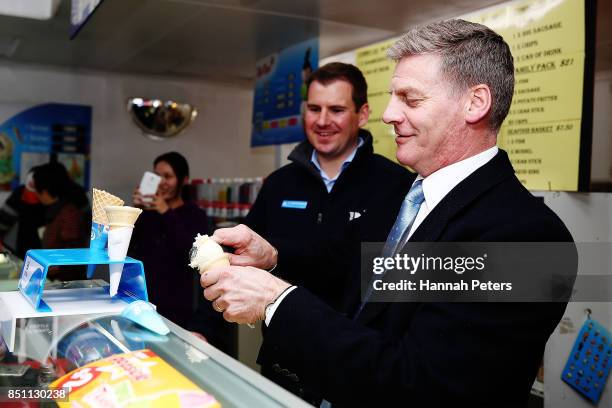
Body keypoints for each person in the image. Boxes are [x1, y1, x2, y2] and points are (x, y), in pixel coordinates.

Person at [200, 19, 576, 407]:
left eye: (410, 99)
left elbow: (424, 388)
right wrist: (274, 258)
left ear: (475, 103)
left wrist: (277, 301)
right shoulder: (415, 197)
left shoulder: (526, 238)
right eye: (393, 97)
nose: (388, 115)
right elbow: (367, 291)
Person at [246, 62, 412, 314]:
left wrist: (277, 253)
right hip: (285, 343)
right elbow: (242, 258)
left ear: (363, 114)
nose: (322, 121)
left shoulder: (396, 185)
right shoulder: (278, 184)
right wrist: (203, 329)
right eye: (314, 109)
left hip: (364, 347)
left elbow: (398, 279)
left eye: (336, 110)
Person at [129, 152, 234, 355]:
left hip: (182, 310)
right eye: (156, 176)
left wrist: (165, 211)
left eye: (168, 176)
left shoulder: (196, 215)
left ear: (183, 180)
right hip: (146, 306)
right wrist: (134, 212)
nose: (161, 182)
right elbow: (128, 250)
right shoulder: (146, 214)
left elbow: (191, 252)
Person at [32, 162, 90, 280]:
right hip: (55, 278)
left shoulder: (68, 213)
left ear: (44, 191)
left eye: (37, 189)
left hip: (67, 282)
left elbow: (72, 253)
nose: (36, 194)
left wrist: (50, 267)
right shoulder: (54, 210)